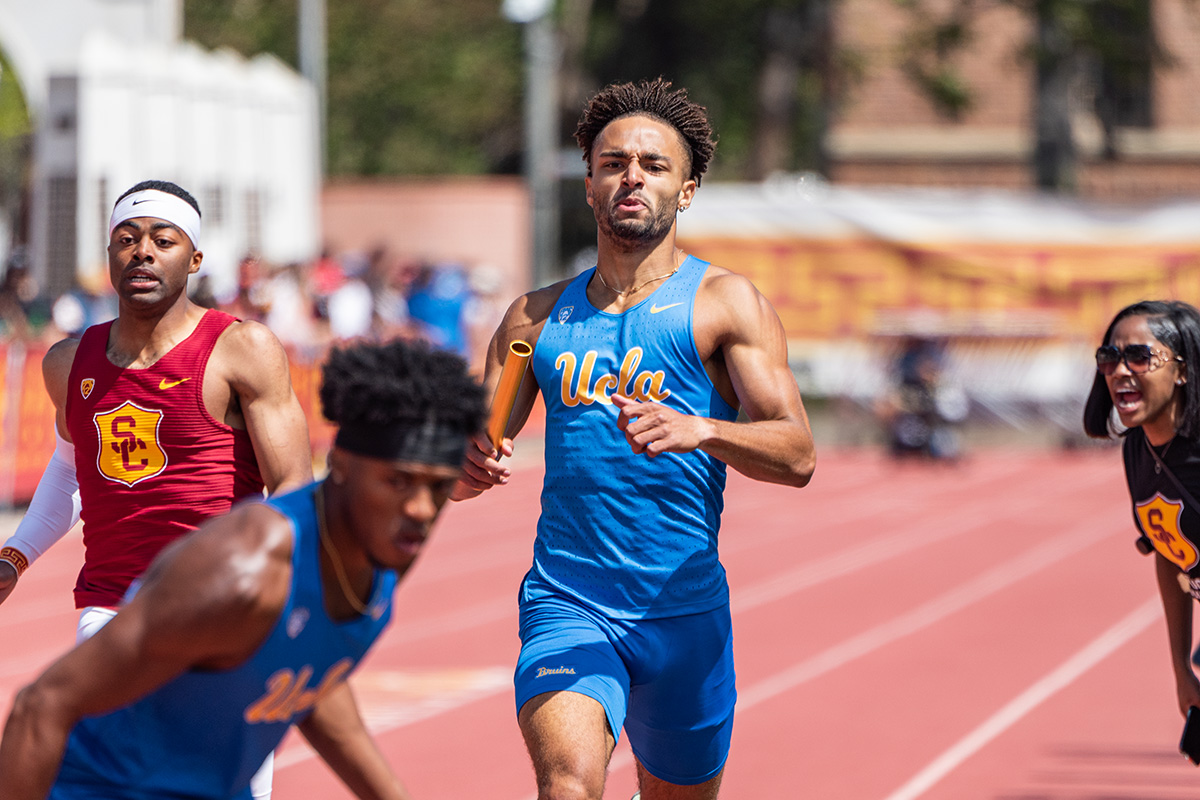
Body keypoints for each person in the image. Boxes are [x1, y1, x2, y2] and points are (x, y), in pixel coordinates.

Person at [454, 78, 816, 800]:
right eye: (614, 163)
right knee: (569, 785)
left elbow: (798, 453)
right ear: (587, 184)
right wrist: (462, 460)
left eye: (654, 166)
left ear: (686, 191)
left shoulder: (724, 305)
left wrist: (704, 429)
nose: (632, 177)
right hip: (568, 600)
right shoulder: (533, 320)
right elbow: (469, 456)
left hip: (683, 610)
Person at [0, 337, 487, 800]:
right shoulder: (242, 571)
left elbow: (310, 676)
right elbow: (40, 706)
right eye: (399, 482)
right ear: (339, 463)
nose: (421, 509)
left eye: (438, 488)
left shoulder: (375, 559)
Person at [0, 180, 313, 797]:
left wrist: (269, 592)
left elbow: (294, 488)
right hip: (111, 608)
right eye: (126, 239)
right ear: (110, 255)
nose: (142, 252)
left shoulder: (241, 349)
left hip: (220, 614)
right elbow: (69, 470)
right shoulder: (69, 362)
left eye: (162, 241)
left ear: (194, 259)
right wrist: (15, 557)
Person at [1083, 300, 1200, 722]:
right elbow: (1169, 553)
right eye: (1109, 357)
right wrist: (1180, 667)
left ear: (1182, 370)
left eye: (1139, 355)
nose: (1120, 370)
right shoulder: (1138, 449)